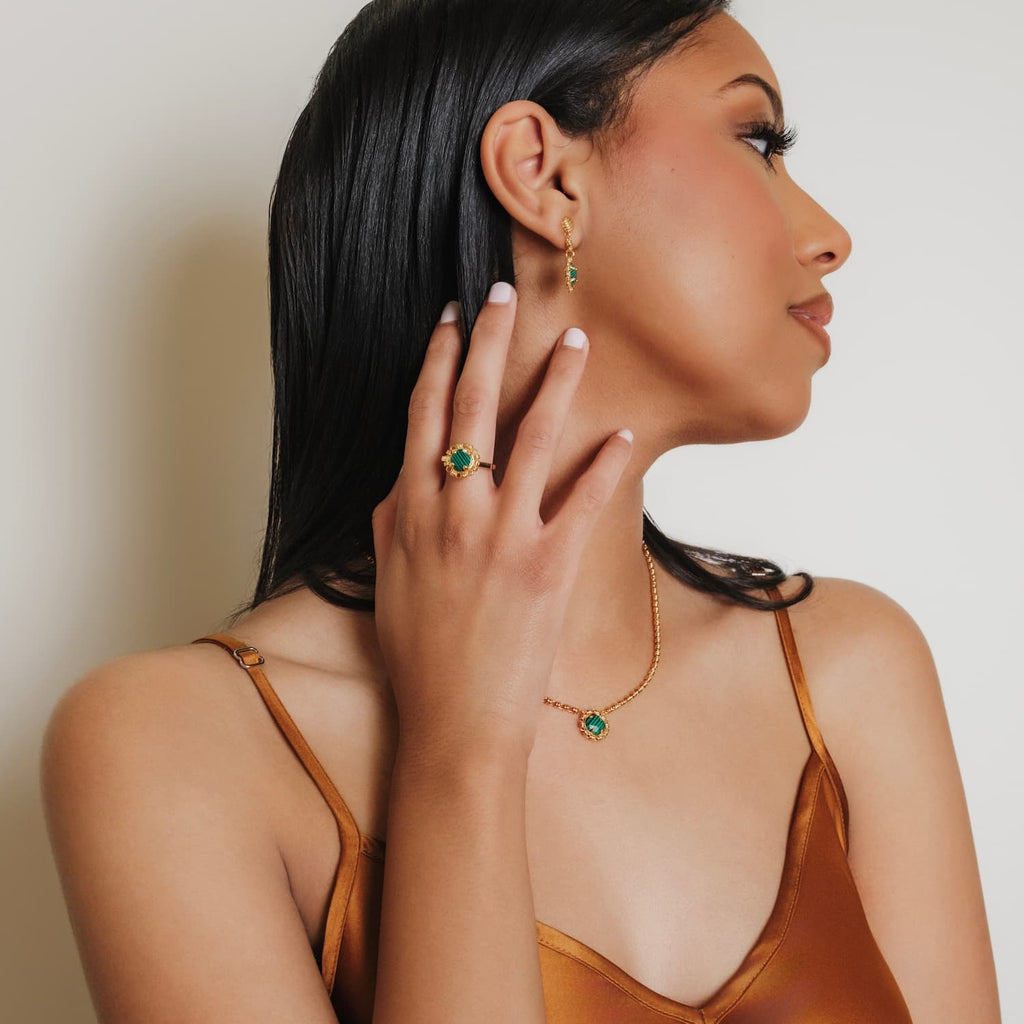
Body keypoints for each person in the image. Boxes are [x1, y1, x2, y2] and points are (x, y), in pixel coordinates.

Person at [40, 1, 1001, 1021]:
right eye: (757, 140)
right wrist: (462, 747)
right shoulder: (172, 748)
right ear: (543, 175)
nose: (829, 236)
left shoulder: (850, 672)